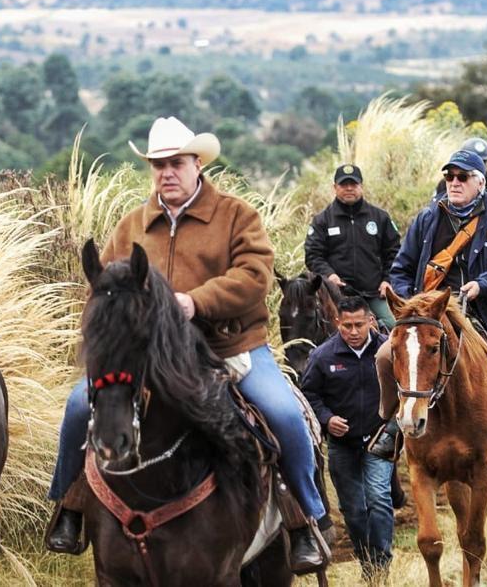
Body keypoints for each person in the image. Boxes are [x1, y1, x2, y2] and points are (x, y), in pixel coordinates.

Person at [45, 117, 330, 572]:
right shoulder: (132, 226)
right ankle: (69, 508)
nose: (167, 173)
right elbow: (105, 291)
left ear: (198, 164)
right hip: (152, 359)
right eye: (159, 165)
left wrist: (196, 302)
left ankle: (305, 521)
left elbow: (254, 276)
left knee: (283, 415)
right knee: (80, 406)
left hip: (231, 348)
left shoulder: (236, 215)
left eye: (176, 163)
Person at [375, 149, 487, 470]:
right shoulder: (427, 219)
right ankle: (392, 425)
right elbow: (401, 269)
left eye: (462, 177)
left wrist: (482, 285)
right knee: (384, 357)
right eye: (449, 176)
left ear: (480, 182)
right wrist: (413, 303)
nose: (454, 182)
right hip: (432, 316)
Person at [301, 296, 393, 581]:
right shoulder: (323, 356)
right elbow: (308, 394)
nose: (353, 332)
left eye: (359, 325)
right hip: (342, 446)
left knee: (379, 499)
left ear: (370, 321)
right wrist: (327, 418)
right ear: (337, 323)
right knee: (354, 510)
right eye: (347, 326)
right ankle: (366, 562)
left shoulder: (388, 351)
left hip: (379, 439)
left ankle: (381, 566)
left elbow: (405, 389)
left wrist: (393, 427)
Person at [305, 164, 401, 329]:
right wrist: (329, 275)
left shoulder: (380, 217)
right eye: (344, 184)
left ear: (361, 186)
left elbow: (395, 253)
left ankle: (376, 333)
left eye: (353, 184)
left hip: (374, 293)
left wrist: (387, 281)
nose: (349, 188)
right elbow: (313, 255)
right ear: (335, 187)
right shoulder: (322, 220)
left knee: (393, 326)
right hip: (338, 294)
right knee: (329, 329)